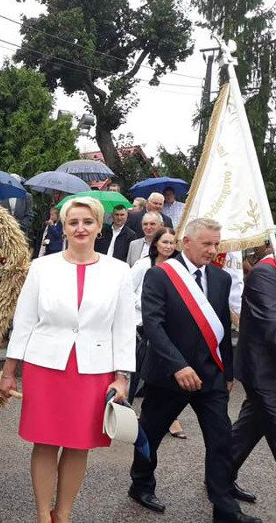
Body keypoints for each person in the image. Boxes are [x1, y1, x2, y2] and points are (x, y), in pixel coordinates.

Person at [0, 196, 135, 523]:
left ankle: (63, 513)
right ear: (63, 226)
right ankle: (42, 515)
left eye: (87, 222)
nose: (80, 228)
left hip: (94, 369)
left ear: (99, 227)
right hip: (45, 367)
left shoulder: (118, 271)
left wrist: (122, 376)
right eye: (73, 222)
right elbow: (25, 321)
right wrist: (8, 372)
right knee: (45, 442)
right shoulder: (42, 267)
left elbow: (124, 326)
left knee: (78, 444)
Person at [129, 218, 260, 523]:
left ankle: (225, 508)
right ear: (186, 242)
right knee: (150, 434)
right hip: (168, 375)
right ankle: (141, 484)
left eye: (217, 243)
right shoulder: (160, 275)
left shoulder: (221, 278)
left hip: (211, 376)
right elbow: (154, 326)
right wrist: (179, 365)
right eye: (207, 244)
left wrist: (227, 373)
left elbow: (222, 332)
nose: (214, 250)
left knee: (221, 440)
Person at [127, 227, 187, 438]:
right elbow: (127, 289)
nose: (169, 247)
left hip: (168, 327)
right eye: (165, 243)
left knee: (166, 370)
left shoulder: (179, 268)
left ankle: (171, 419)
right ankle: (125, 412)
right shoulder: (144, 264)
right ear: (156, 245)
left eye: (172, 243)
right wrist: (145, 305)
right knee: (135, 372)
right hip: (142, 325)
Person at [229, 243, 276, 504]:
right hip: (263, 373)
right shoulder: (265, 273)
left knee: (249, 427)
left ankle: (220, 477)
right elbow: (271, 326)